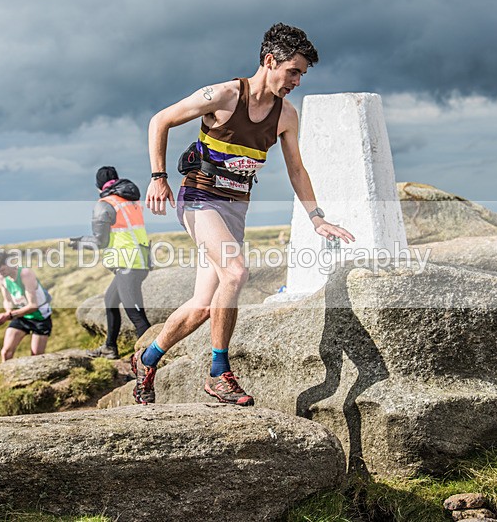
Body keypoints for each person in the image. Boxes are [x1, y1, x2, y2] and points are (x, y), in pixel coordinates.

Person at [137, 23, 355, 406]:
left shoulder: (286, 115)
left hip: (234, 210)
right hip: (199, 197)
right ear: (270, 61)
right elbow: (160, 120)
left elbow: (296, 170)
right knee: (236, 272)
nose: (297, 81)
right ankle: (219, 374)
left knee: (204, 306)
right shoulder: (222, 95)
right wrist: (158, 177)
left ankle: (147, 358)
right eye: (293, 71)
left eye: (302, 74)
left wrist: (316, 217)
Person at [70, 166, 152, 360]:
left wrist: (80, 242)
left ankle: (150, 361)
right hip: (140, 260)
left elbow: (101, 241)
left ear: (99, 187)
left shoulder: (104, 203)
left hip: (127, 264)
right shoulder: (130, 200)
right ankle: (109, 347)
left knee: (137, 317)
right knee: (110, 301)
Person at [0, 251, 53, 362]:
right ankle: (6, 378)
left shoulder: (25, 274)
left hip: (40, 318)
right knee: (6, 352)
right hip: (22, 316)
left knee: (36, 358)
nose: (1, 273)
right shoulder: (1, 277)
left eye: (3, 270)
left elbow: (33, 306)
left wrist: (8, 316)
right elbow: (7, 300)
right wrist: (7, 312)